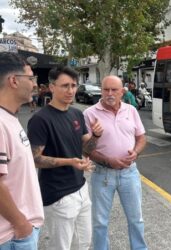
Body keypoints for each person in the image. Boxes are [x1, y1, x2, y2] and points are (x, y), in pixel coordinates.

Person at [27, 66, 103, 250]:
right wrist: (70, 162)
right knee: (61, 246)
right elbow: (35, 159)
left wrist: (96, 136)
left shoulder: (76, 113)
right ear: (52, 87)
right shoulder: (40, 119)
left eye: (74, 85)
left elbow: (86, 148)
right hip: (58, 194)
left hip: (80, 188)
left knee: (83, 243)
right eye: (65, 86)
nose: (70, 91)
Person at [83, 75, 147, 250]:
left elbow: (141, 138)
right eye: (106, 89)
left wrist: (135, 152)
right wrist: (107, 160)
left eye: (114, 90)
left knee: (136, 219)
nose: (110, 93)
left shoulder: (131, 111)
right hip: (103, 175)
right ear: (101, 90)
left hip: (130, 172)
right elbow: (86, 150)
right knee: (100, 221)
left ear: (122, 92)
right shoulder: (89, 114)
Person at [0, 52, 44, 249]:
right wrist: (21, 224)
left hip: (19, 232)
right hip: (13, 236)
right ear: (13, 81)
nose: (35, 84)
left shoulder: (10, 118)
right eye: (31, 77)